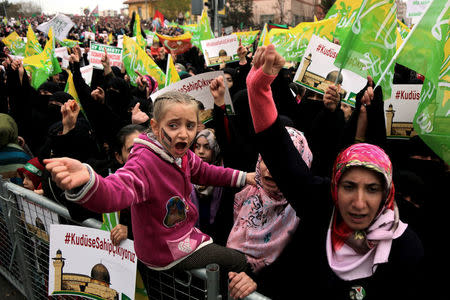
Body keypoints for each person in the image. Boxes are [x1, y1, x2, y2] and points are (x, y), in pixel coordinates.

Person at [246, 45, 424, 300]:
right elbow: (281, 157)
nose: (359, 203)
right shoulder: (322, 208)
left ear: (387, 193)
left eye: (372, 189)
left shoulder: (406, 248)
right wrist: (258, 89)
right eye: (349, 186)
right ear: (334, 187)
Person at [45, 91, 257, 299]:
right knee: (238, 261)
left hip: (178, 237)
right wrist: (88, 181)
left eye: (190, 126)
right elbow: (113, 192)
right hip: (165, 249)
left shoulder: (180, 154)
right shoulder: (144, 163)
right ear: (155, 127)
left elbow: (204, 171)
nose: (184, 133)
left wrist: (243, 177)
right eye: (173, 125)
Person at [227, 126, 313, 273]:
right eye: (266, 158)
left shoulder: (307, 212)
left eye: (281, 162)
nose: (270, 168)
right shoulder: (247, 194)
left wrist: (256, 282)